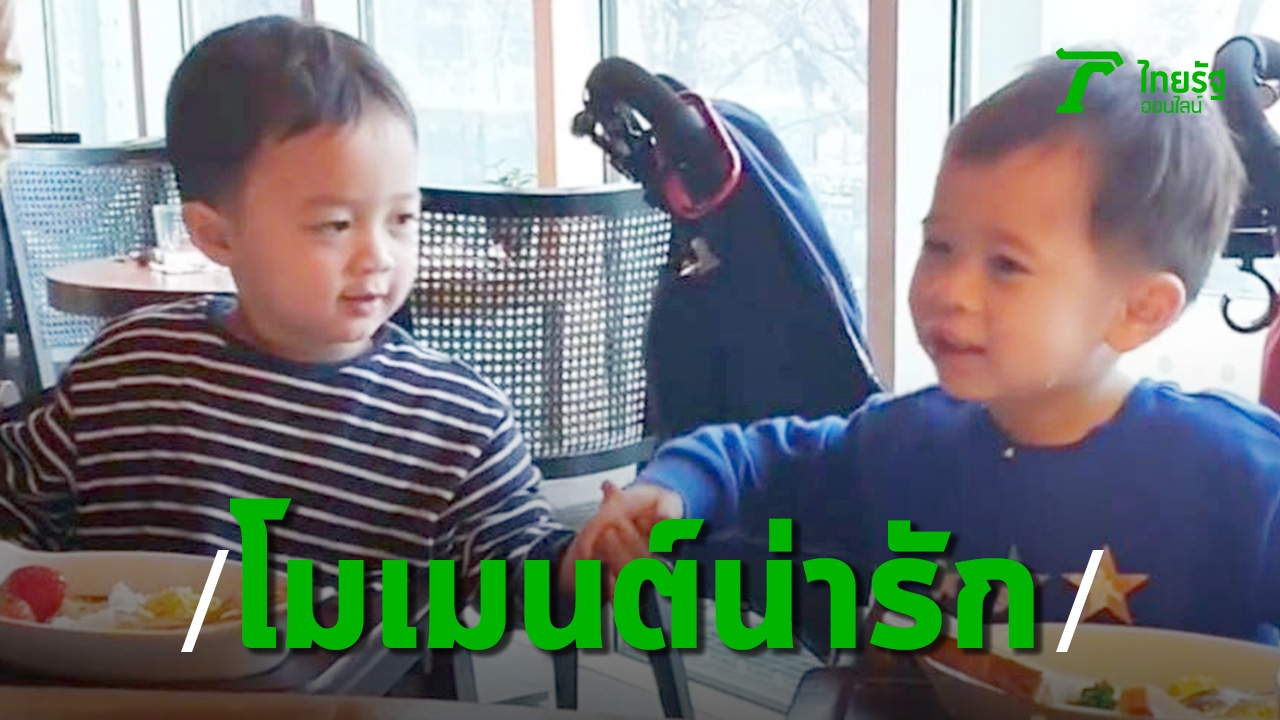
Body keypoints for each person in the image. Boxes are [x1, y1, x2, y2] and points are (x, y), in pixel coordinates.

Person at [577, 48, 1280, 646]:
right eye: (939, 245)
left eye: (1006, 265)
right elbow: (755, 460)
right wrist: (671, 490)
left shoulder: (1238, 477)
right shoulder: (900, 441)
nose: (950, 289)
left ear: (1137, 311)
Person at [0, 15, 595, 613]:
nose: (378, 256)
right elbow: (19, 508)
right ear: (216, 235)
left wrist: (588, 562)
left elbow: (522, 580)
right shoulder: (129, 370)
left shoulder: (455, 421)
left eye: (401, 218)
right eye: (335, 225)